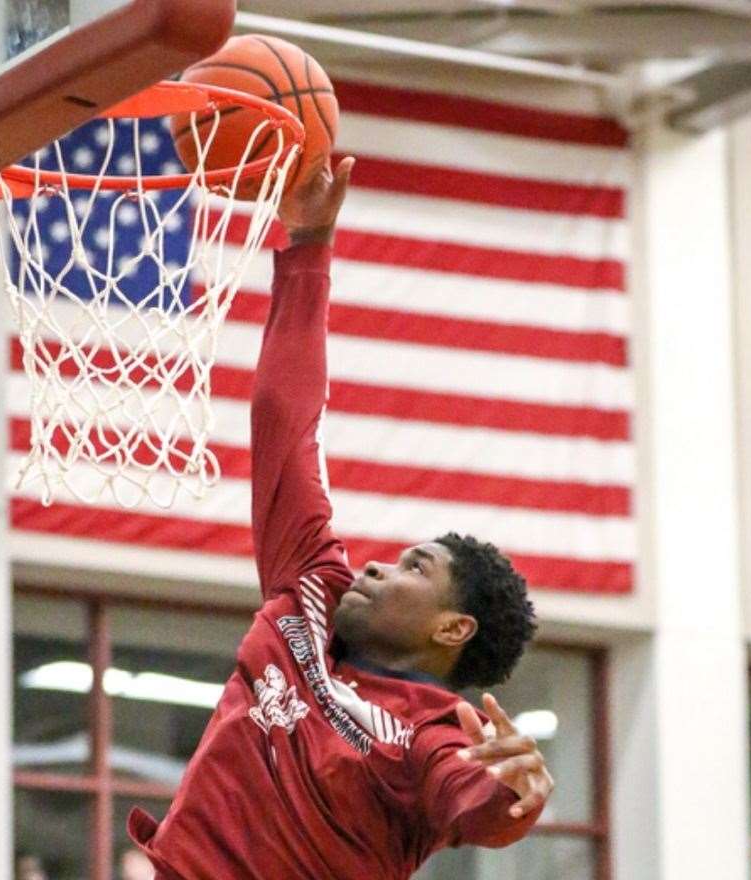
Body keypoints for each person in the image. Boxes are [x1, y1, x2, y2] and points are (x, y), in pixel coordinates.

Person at [127, 157, 552, 879]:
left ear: (451, 629)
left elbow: (475, 798)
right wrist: (309, 245)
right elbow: (283, 422)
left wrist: (515, 794)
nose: (381, 564)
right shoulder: (312, 589)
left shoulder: (433, 736)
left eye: (417, 567)